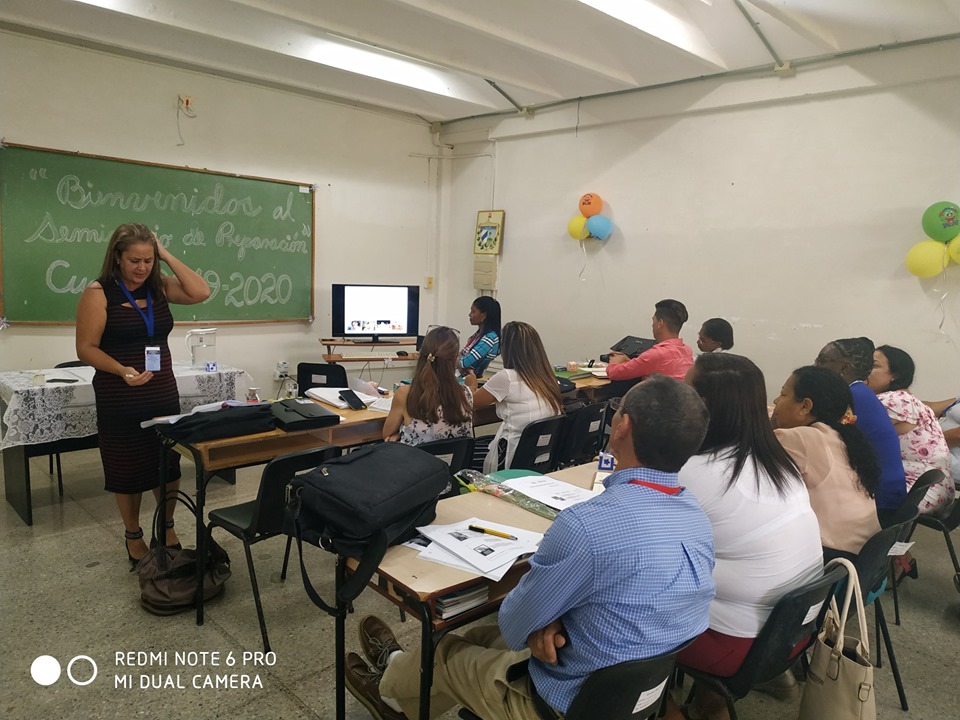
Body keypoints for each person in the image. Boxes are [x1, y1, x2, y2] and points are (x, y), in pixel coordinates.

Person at [344, 376, 716, 720]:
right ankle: (400, 679)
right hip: (629, 700)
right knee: (474, 639)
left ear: (623, 427)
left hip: (558, 704)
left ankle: (387, 693)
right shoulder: (695, 518)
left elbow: (513, 624)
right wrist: (552, 618)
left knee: (444, 653)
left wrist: (545, 619)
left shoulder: (586, 525)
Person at [673, 354, 823, 719]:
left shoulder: (699, 473)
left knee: (615, 604)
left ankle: (661, 709)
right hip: (789, 634)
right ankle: (709, 704)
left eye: (685, 389)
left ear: (703, 404)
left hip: (735, 644)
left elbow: (639, 555)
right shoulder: (777, 462)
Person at [76, 223, 210, 567]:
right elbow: (86, 348)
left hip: (161, 389)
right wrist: (121, 370)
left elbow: (201, 291)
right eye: (135, 260)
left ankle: (166, 527)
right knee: (127, 467)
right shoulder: (99, 292)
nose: (142, 267)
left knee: (168, 462)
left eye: (148, 260)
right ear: (117, 258)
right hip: (119, 392)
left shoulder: (159, 287)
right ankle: (133, 535)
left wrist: (165, 254)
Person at [771, 366, 881, 562]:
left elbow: (749, 458)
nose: (776, 401)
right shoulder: (842, 436)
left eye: (783, 394)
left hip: (831, 557)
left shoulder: (801, 438)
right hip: (864, 559)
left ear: (805, 406)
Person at [814, 337, 907, 518]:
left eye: (822, 360)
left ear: (844, 368)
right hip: (887, 493)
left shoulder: (849, 396)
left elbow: (814, 434)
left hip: (878, 501)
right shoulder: (860, 392)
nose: (816, 365)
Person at [866, 345, 954, 515]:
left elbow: (848, 436)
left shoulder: (893, 400)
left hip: (915, 493)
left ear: (895, 375)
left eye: (874, 366)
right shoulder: (910, 400)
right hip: (936, 490)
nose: (865, 372)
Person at [465, 321, 563, 473]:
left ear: (507, 349)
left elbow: (469, 403)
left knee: (465, 453)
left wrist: (471, 386)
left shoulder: (507, 377)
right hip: (538, 457)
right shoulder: (547, 377)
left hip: (512, 457)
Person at [383, 326, 473, 445]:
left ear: (421, 355)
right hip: (453, 457)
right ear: (456, 360)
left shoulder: (405, 394)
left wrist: (400, 434)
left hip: (413, 457)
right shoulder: (466, 394)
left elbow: (386, 434)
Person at [606, 299, 694, 386]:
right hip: (681, 395)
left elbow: (614, 373)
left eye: (653, 321)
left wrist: (614, 361)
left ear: (660, 323)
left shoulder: (656, 354)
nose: (652, 325)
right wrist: (630, 361)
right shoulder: (687, 351)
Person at [457, 296, 501, 378]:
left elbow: (464, 363)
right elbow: (462, 354)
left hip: (473, 380)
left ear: (484, 315)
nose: (470, 314)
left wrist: (451, 360)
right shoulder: (479, 334)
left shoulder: (490, 338)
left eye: (473, 311)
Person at [926, 396, 960, 483]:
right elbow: (932, 406)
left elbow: (958, 436)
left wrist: (925, 443)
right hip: (940, 452)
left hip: (953, 461)